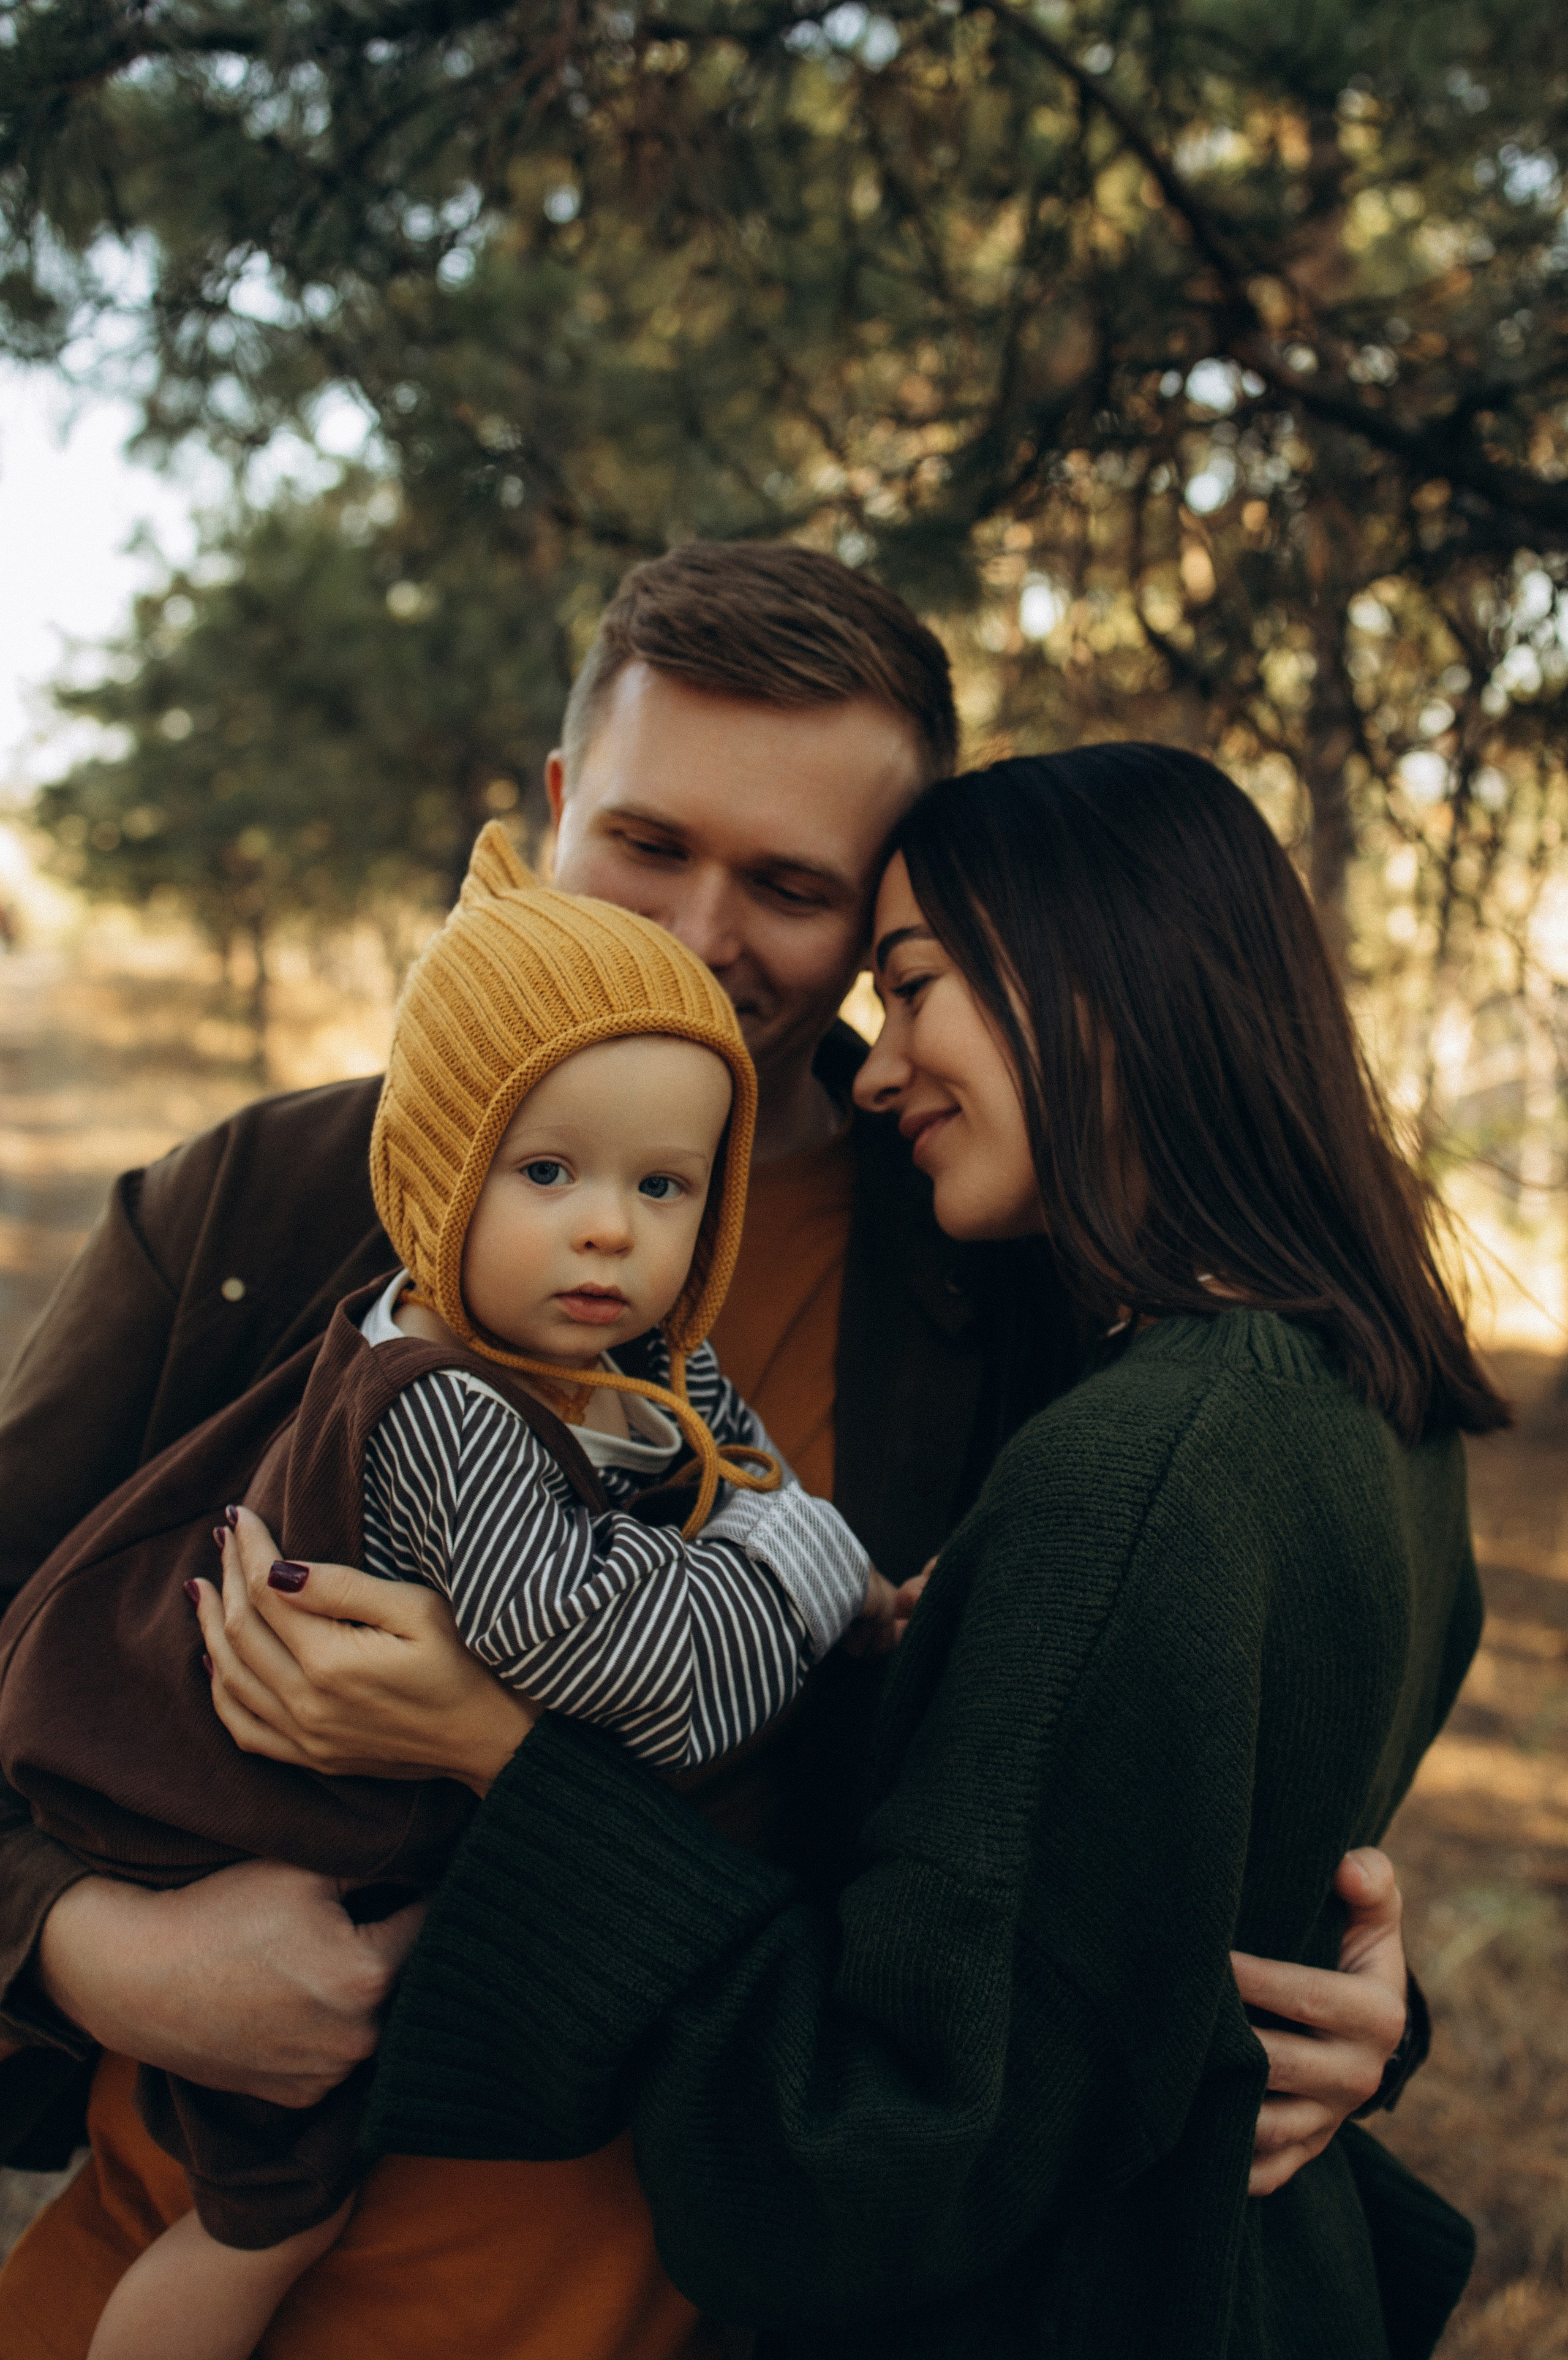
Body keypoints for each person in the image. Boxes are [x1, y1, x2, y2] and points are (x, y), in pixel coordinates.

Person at [0, 550, 1413, 2357]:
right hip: (188, 2268)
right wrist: (89, 1947)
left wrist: (1354, 2008)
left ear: (880, 911)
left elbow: (1086, 1827)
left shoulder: (1004, 1279)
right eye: (651, 844)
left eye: (795, 886)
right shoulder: (264, 1206)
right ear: (563, 803)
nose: (697, 932)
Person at [2, 828, 915, 2360]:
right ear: (441, 1172)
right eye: (546, 1172)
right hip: (228, 1858)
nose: (610, 1227)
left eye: (666, 1186)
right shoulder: (439, 1404)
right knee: (265, 2219)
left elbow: (747, 1484)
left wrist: (822, 1567)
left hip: (578, 2219)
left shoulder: (628, 1356)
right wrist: (816, 1573)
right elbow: (630, 1663)